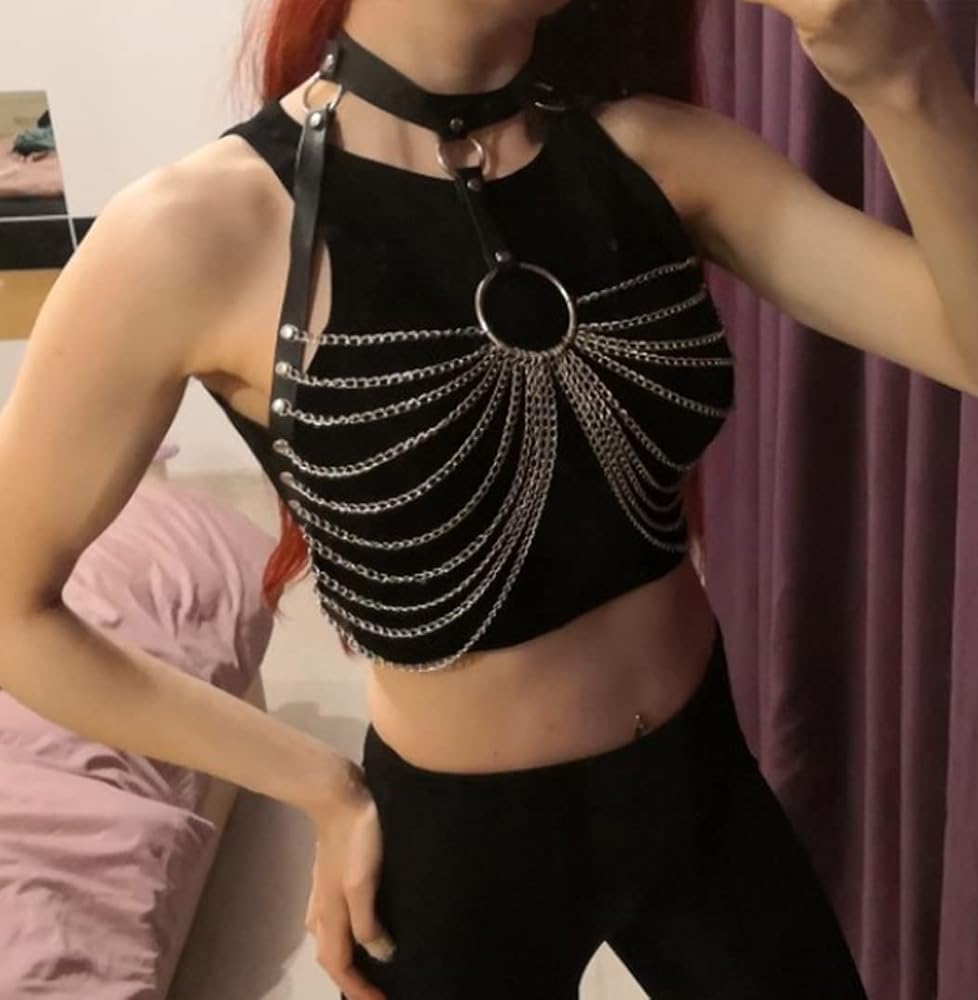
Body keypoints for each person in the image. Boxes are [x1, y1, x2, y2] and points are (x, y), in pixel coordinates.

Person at [0, 2, 891, 998]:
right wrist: (318, 783)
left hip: (702, 786)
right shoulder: (194, 231)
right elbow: (12, 610)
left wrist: (898, 75)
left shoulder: (653, 153)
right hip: (460, 849)